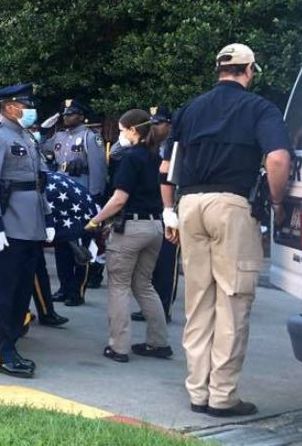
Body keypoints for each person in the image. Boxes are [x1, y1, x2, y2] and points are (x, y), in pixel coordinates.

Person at [161, 43, 291, 418]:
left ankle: (197, 391)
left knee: (198, 302)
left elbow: (168, 167)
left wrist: (170, 211)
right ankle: (222, 396)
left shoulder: (190, 109)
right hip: (231, 206)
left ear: (218, 70)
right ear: (249, 70)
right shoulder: (260, 109)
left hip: (190, 205)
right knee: (232, 302)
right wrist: (278, 203)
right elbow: (278, 159)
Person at [0, 83, 53, 378]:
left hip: (29, 226)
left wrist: (49, 219)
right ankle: (0, 353)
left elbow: (38, 182)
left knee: (20, 293)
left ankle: (11, 344)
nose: (30, 110)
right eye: (25, 104)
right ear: (9, 107)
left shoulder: (26, 137)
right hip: (4, 227)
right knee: (3, 294)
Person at [86, 109, 172, 364]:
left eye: (122, 130)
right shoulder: (157, 158)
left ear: (134, 130)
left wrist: (95, 220)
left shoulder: (131, 159)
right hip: (155, 227)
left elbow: (119, 199)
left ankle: (119, 346)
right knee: (144, 285)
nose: (121, 135)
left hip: (131, 229)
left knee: (120, 286)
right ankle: (159, 342)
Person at [46, 99, 106, 307]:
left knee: (82, 246)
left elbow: (98, 169)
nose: (66, 117)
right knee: (62, 245)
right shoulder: (59, 136)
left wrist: (95, 199)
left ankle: (77, 291)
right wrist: (46, 128)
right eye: (64, 114)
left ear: (81, 116)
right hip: (62, 201)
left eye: (70, 114)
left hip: (82, 200)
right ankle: (64, 287)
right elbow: (40, 150)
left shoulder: (90, 137)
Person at [133, 105, 180, 324]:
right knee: (151, 261)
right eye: (151, 124)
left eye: (158, 123)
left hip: (172, 207)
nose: (154, 128)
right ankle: (151, 308)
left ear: (169, 125)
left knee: (167, 261)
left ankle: (164, 307)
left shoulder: (176, 148)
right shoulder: (151, 148)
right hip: (153, 208)